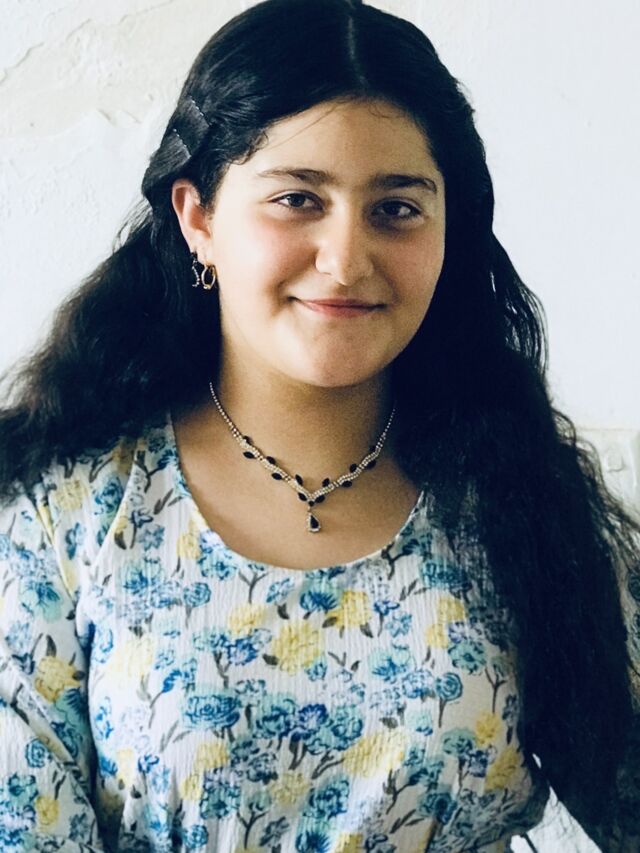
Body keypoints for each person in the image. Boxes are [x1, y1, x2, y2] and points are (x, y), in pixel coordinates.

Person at [0, 0, 638, 849]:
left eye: (396, 208)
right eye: (298, 198)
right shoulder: (60, 513)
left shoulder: (524, 497)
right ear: (198, 217)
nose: (344, 260)